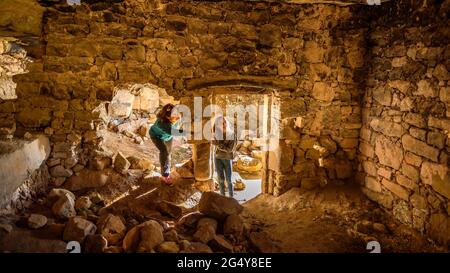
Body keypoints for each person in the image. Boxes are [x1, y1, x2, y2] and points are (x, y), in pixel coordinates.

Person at [149, 103, 182, 186]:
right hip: (157, 136)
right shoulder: (161, 123)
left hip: (168, 137)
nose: (177, 117)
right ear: (167, 117)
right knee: (164, 152)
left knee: (169, 154)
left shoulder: (176, 116)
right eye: (174, 116)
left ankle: (166, 167)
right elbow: (176, 133)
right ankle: (165, 175)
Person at [211, 116, 237, 198]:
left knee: (229, 180)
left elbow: (230, 149)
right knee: (220, 180)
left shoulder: (232, 134)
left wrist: (218, 145)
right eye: (221, 123)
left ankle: (231, 198)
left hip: (227, 158)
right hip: (217, 158)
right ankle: (222, 197)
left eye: (225, 122)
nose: (224, 124)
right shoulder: (216, 134)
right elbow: (213, 143)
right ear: (217, 125)